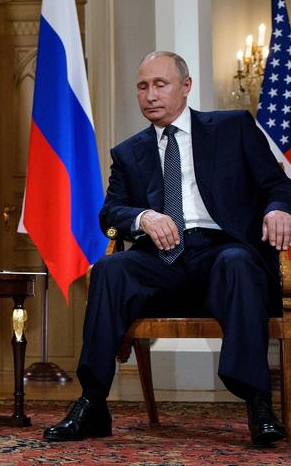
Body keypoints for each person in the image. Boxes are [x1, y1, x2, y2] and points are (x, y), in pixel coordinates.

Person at [43, 51, 291, 446]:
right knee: (109, 269)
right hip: (162, 260)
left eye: (161, 84)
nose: (150, 95)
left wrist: (279, 210)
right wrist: (144, 217)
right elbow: (110, 211)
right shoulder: (128, 152)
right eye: (143, 86)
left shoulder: (232, 128)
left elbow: (277, 185)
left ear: (186, 86)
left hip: (221, 254)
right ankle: (92, 402)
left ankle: (258, 403)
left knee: (237, 261)